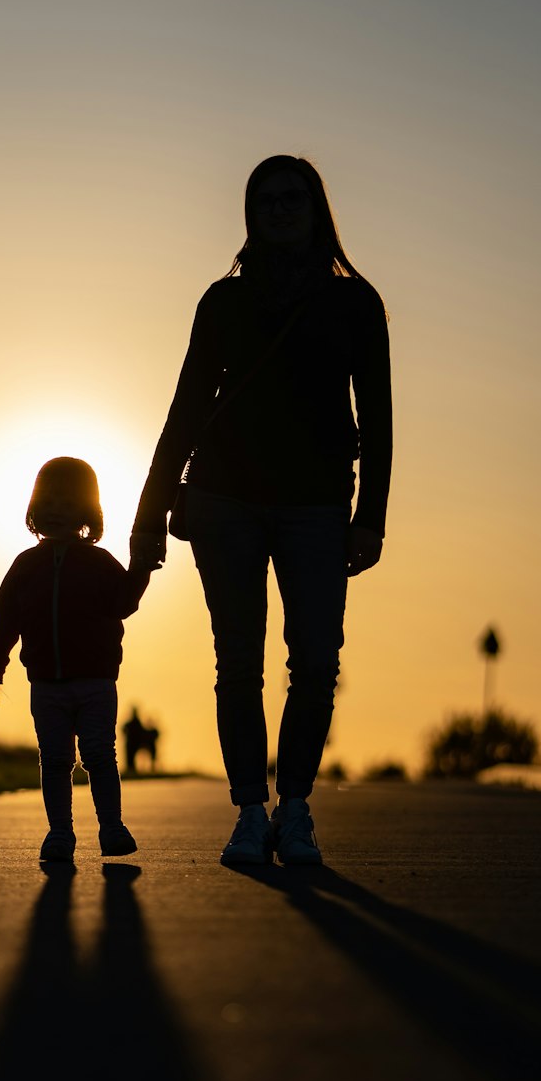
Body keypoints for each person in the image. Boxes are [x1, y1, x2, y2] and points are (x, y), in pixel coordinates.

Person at [130, 155, 392, 867]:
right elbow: (185, 411)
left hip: (317, 506)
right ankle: (251, 811)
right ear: (249, 213)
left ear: (317, 208)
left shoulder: (356, 304)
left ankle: (297, 810)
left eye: (292, 198)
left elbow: (380, 417)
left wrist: (372, 518)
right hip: (224, 502)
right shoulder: (223, 303)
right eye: (266, 200)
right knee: (237, 664)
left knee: (315, 662)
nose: (279, 210)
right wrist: (147, 516)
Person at [0, 457, 152, 861]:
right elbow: (6, 621)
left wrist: (142, 569)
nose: (56, 509)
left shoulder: (100, 562)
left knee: (99, 754)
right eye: (48, 500)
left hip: (95, 682)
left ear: (87, 513)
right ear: (34, 507)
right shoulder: (25, 565)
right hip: (45, 684)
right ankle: (60, 833)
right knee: (55, 760)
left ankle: (112, 826)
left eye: (67, 502)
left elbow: (124, 602)